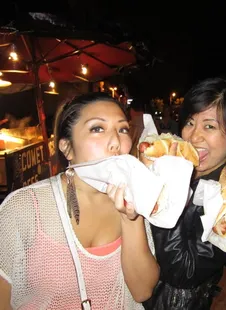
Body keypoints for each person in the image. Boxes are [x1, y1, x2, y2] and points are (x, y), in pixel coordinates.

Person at [0, 93, 159, 310]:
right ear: (66, 148)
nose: (116, 142)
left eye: (122, 129)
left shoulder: (135, 198)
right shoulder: (22, 208)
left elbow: (142, 291)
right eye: (97, 129)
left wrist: (130, 219)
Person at [142, 77, 226, 309]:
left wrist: (165, 192)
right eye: (190, 122)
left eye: (210, 126)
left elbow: (183, 272)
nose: (193, 137)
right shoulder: (182, 168)